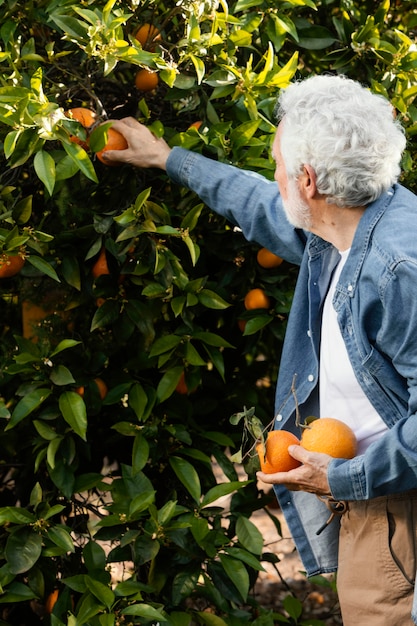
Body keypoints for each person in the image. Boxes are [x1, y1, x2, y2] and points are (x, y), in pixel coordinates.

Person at [103, 74, 417, 625]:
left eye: (277, 166)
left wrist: (341, 479)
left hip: (393, 509)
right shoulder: (350, 224)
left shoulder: (397, 272)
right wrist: (168, 158)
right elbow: (261, 205)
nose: (273, 178)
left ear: (309, 180)